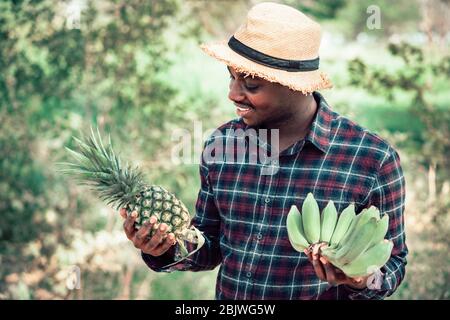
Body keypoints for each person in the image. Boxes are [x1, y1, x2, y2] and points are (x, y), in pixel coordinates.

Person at [119, 2, 407, 300]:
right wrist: (166, 248)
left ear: (297, 86)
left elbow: (393, 264)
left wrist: (361, 278)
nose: (232, 93)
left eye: (251, 84)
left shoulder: (371, 159)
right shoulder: (222, 144)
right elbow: (211, 245)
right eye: (231, 76)